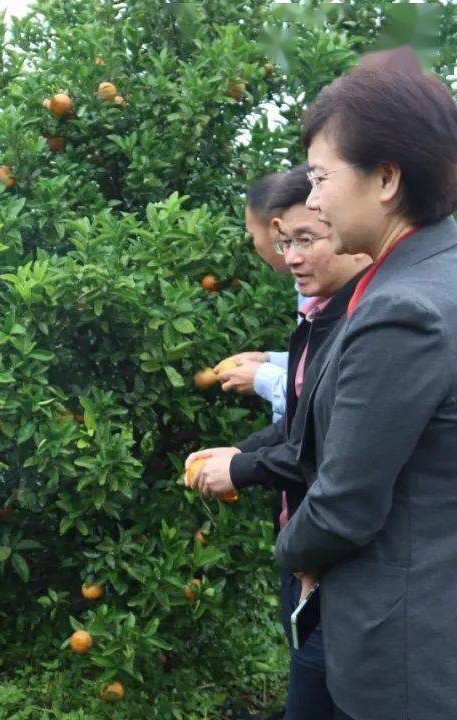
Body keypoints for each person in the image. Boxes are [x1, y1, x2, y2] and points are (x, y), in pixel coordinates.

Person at [274, 66, 457, 719]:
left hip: (406, 662)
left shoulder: (403, 308)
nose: (312, 200)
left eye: (321, 177)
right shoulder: (439, 270)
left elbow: (346, 506)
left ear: (385, 178)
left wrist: (289, 550)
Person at [186, 165, 371, 720]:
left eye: (306, 239)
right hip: (310, 550)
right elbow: (300, 423)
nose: (289, 256)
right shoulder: (317, 316)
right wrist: (240, 454)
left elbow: (331, 451)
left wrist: (243, 470)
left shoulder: (368, 321)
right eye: (286, 242)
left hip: (339, 567)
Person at [215, 172, 306, 423]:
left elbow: (322, 401)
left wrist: (263, 377)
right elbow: (316, 365)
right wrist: (267, 360)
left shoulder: (324, 293)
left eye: (252, 234)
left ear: (276, 229)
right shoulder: (306, 288)